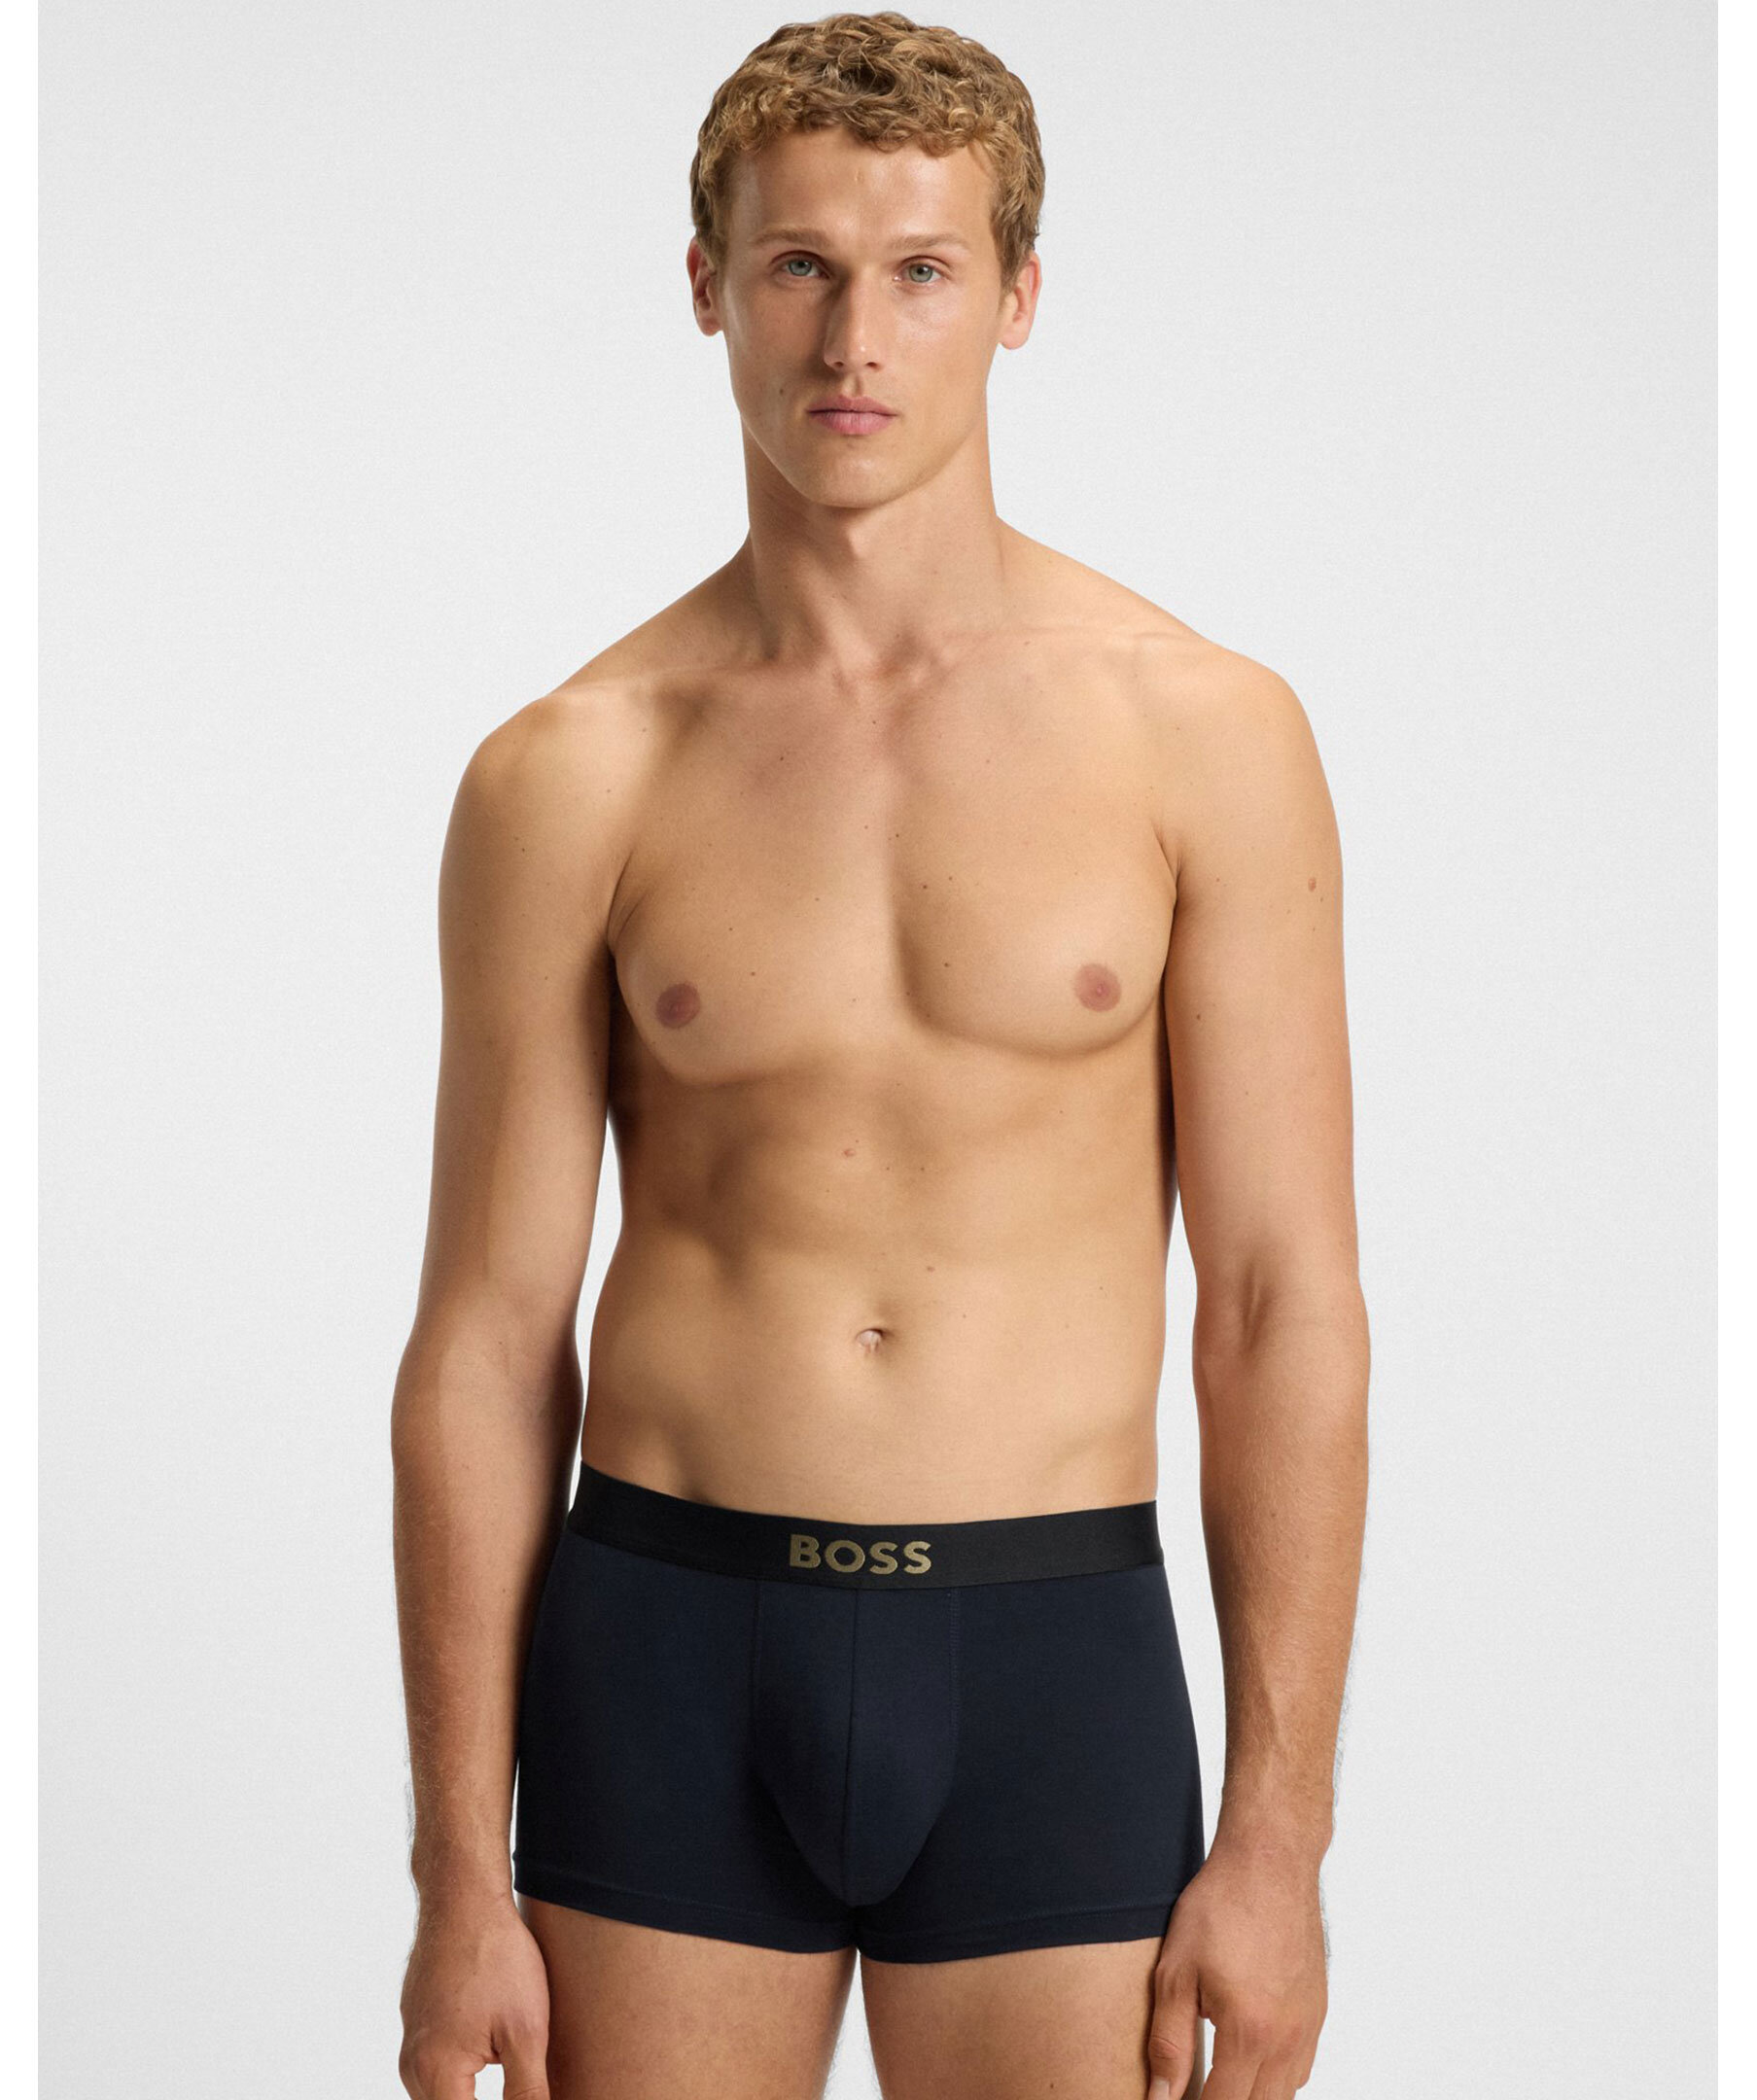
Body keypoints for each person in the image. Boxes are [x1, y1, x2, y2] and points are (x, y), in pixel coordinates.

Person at [391, 12, 1369, 2099]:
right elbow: (484, 1337)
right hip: (665, 1648)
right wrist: (457, 1871)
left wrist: (1280, 1844)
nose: (855, 338)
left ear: (1017, 295)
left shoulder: (1202, 736)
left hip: (1052, 1659)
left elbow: (1279, 1303)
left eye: (921, 269)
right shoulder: (571, 771)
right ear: (707, 287)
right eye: (800, 266)